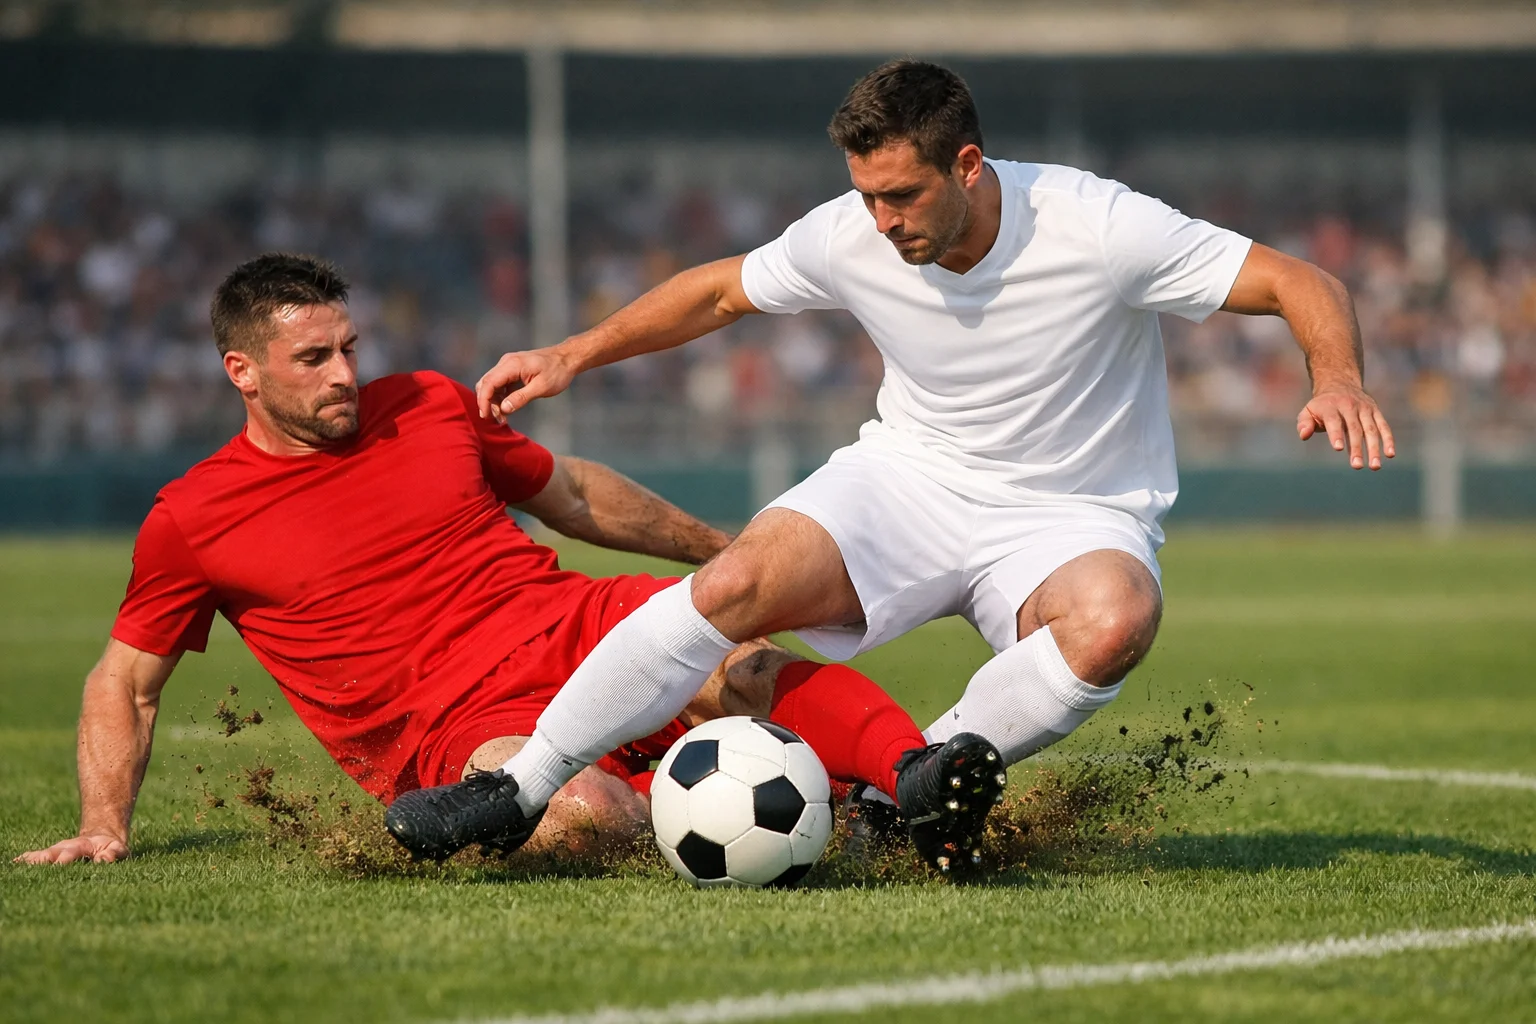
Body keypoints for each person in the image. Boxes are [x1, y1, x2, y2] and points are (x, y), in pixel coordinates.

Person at [397, 57, 1396, 859]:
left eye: (902, 195)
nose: (883, 222)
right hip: (909, 481)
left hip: (1073, 511)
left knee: (1117, 617)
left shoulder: (1099, 224)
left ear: (968, 165)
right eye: (867, 197)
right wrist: (573, 352)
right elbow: (716, 294)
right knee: (735, 578)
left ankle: (895, 802)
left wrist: (1338, 377)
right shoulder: (853, 233)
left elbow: (1293, 279)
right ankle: (513, 791)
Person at [15, 252, 1005, 871]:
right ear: (242, 372)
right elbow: (127, 684)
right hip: (456, 727)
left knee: (735, 655)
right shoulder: (191, 517)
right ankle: (768, 812)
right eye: (312, 360)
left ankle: (911, 784)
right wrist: (106, 824)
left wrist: (726, 553)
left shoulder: (431, 404)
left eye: (349, 348)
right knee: (583, 816)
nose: (345, 376)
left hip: (573, 624)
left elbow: (570, 494)